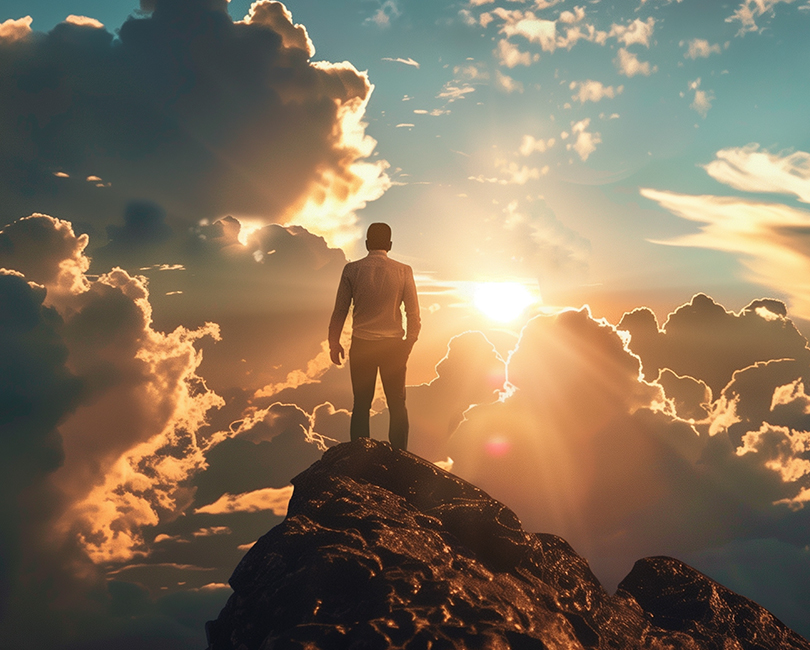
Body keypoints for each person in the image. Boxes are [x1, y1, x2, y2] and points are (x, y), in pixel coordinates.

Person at [328, 222, 420, 451]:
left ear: (367, 244)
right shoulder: (404, 270)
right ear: (390, 244)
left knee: (361, 404)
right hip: (393, 346)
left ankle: (359, 454)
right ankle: (400, 455)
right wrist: (408, 343)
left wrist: (333, 342)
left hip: (362, 345)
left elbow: (341, 309)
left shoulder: (352, 270)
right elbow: (413, 312)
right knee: (397, 404)